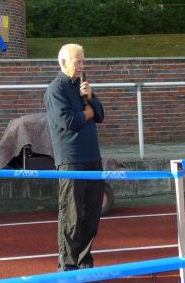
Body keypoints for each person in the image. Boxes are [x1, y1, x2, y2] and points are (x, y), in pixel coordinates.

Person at [44, 43, 105, 271]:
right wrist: (87, 113)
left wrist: (91, 98)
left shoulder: (83, 86)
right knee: (72, 214)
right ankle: (68, 267)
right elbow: (67, 121)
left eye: (83, 61)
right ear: (63, 62)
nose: (82, 66)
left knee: (92, 213)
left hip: (93, 158)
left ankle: (84, 260)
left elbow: (100, 115)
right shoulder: (55, 89)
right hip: (71, 160)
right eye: (78, 61)